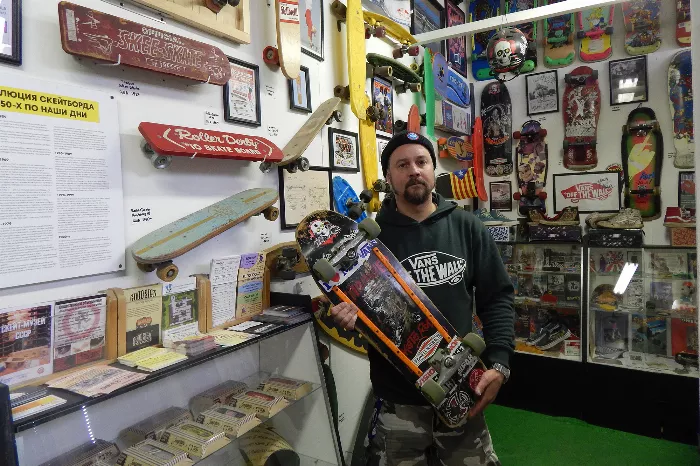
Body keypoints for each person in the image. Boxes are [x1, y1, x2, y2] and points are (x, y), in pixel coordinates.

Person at [330, 131, 515, 466]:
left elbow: (497, 298)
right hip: (398, 402)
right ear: (389, 177)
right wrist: (349, 322)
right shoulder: (368, 245)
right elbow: (364, 319)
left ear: (433, 170)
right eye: (402, 164)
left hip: (461, 387)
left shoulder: (467, 227)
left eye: (421, 162)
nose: (413, 170)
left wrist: (500, 363)